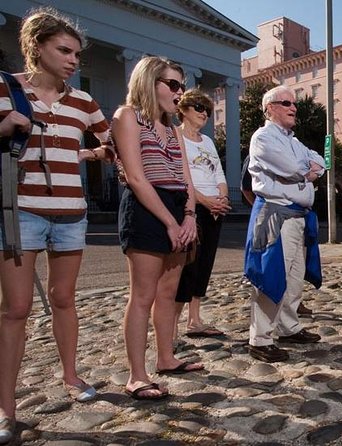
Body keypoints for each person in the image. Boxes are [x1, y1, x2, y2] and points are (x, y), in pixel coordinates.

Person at [0, 7, 113, 443]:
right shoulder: (6, 88)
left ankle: (71, 376)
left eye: (77, 55)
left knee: (64, 299)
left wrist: (87, 154)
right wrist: (5, 124)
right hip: (21, 210)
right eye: (64, 50)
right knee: (16, 309)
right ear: (37, 47)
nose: (72, 60)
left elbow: (109, 146)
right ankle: (5, 408)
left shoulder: (84, 101)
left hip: (71, 212)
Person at [112, 56, 204, 401]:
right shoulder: (128, 117)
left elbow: (185, 174)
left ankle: (166, 358)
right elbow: (136, 177)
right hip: (147, 209)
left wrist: (190, 215)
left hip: (178, 207)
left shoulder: (172, 128)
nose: (180, 93)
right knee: (142, 295)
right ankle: (137, 375)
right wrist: (169, 222)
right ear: (150, 82)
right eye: (173, 85)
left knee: (168, 293)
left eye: (181, 85)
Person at [244, 85, 324, 363]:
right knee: (271, 276)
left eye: (294, 103)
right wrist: (304, 169)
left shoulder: (294, 140)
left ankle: (288, 327)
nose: (293, 107)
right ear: (270, 108)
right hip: (276, 215)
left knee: (293, 277)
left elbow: (320, 162)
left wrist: (305, 167)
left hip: (298, 216)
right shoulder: (263, 137)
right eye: (286, 102)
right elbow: (291, 168)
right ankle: (260, 339)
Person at [173, 89, 230, 339]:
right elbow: (180, 178)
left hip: (214, 209)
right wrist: (206, 202)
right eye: (198, 107)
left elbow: (218, 173)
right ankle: (171, 326)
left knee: (205, 263)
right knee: (187, 266)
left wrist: (223, 198)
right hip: (191, 207)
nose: (204, 112)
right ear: (183, 110)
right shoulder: (175, 137)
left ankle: (195, 319)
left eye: (206, 108)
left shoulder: (207, 141)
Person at [241, 152, 314, 317]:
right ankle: (263, 330)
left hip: (297, 215)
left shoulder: (294, 150)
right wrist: (263, 209)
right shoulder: (258, 152)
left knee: (294, 269)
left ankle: (290, 312)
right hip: (272, 215)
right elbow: (246, 188)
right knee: (271, 266)